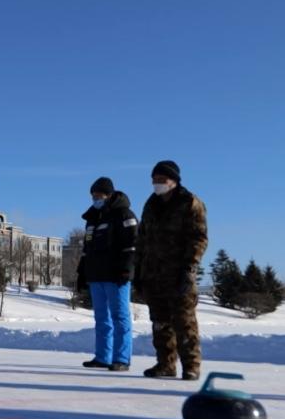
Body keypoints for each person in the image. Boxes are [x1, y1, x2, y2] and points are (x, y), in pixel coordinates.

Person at [135, 160, 208, 380]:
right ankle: (165, 363)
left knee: (184, 322)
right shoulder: (151, 205)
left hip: (179, 273)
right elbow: (143, 239)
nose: (157, 184)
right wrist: (138, 270)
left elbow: (199, 238)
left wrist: (189, 267)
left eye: (162, 180)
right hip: (154, 274)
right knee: (160, 322)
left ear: (173, 181)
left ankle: (191, 365)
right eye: (154, 180)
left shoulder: (189, 203)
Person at [77, 177, 137, 371]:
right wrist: (82, 272)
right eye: (93, 196)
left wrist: (127, 269)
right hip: (97, 276)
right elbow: (87, 249)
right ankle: (103, 357)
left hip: (116, 275)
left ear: (109, 195)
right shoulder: (92, 219)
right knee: (102, 318)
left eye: (99, 195)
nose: (96, 199)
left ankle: (121, 358)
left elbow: (133, 244)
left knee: (120, 317)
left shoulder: (124, 215)